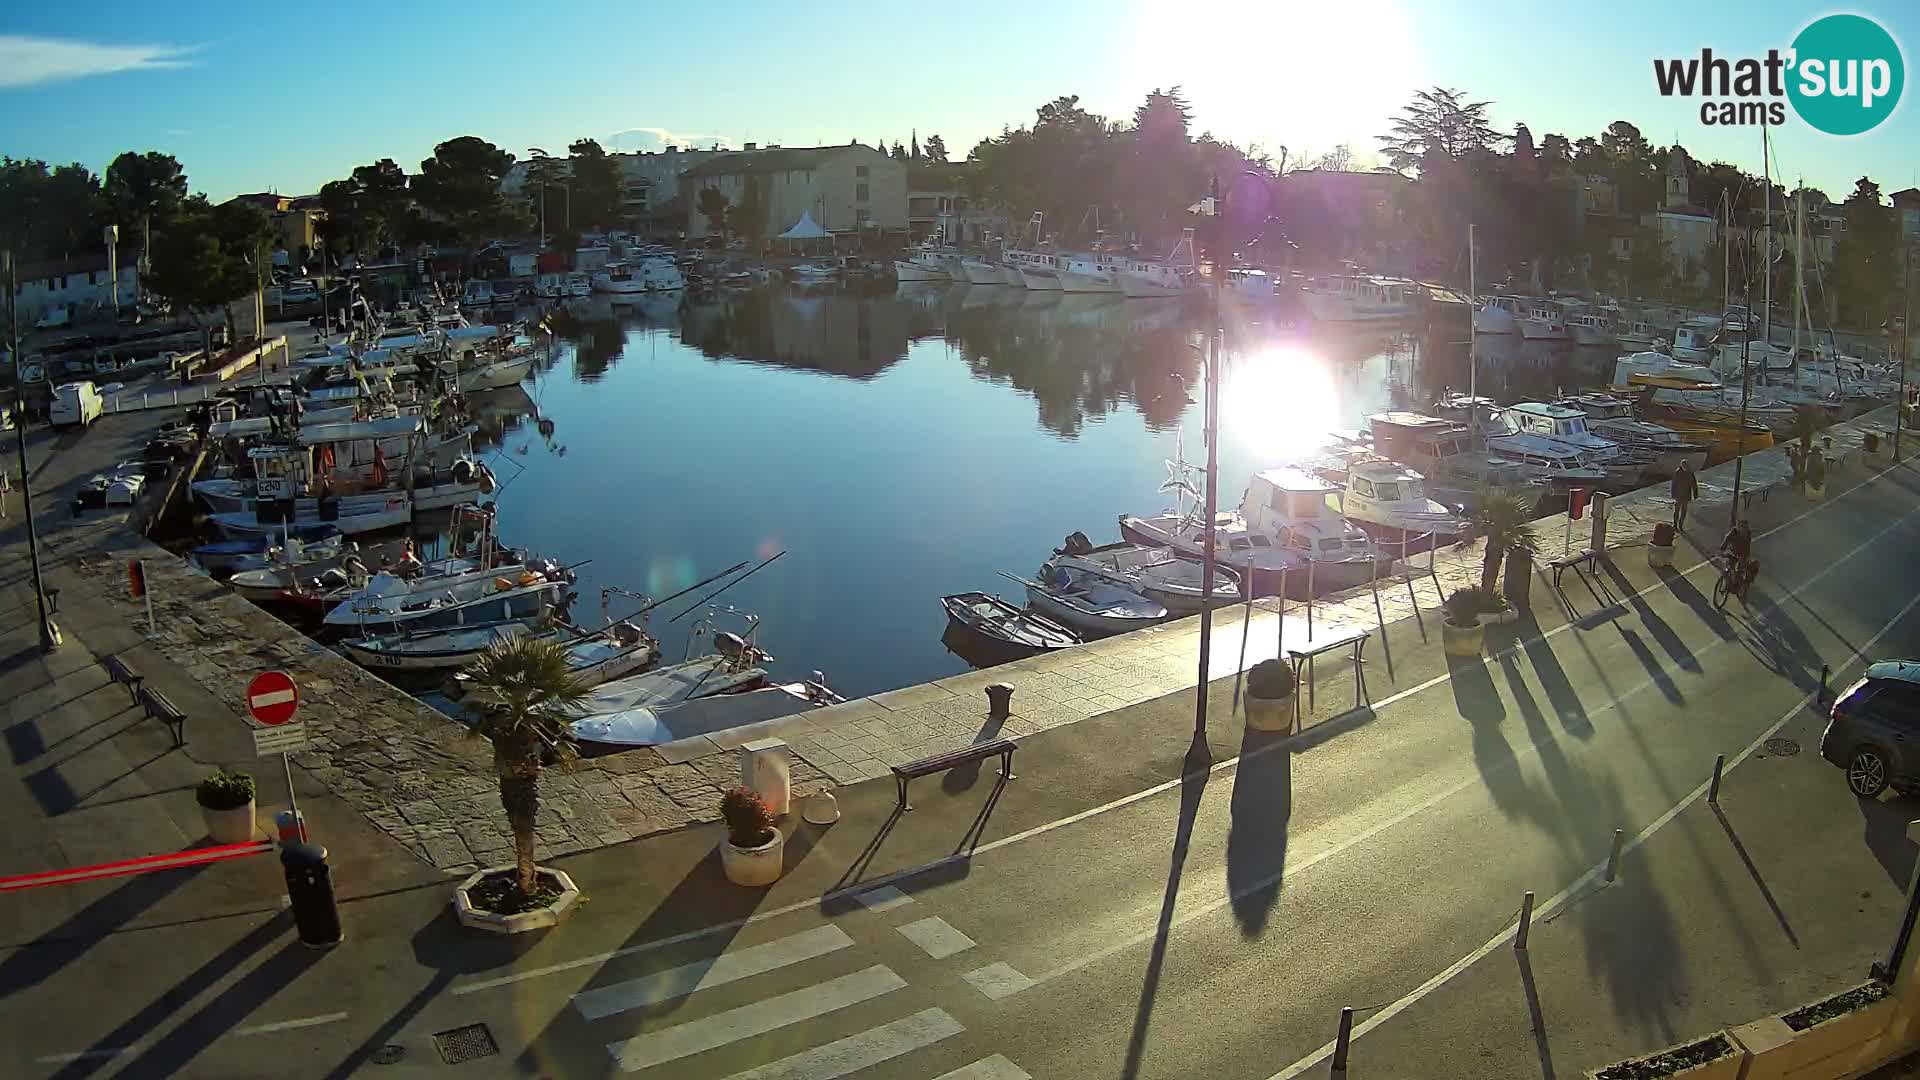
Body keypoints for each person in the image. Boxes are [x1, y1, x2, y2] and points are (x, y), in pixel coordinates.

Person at [1719, 520, 1756, 597]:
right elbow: (1727, 538)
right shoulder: (1734, 531)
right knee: (1727, 567)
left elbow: (1746, 547)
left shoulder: (1747, 534)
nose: (1740, 528)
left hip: (1743, 555)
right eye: (1739, 526)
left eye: (1743, 526)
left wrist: (1743, 558)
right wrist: (1722, 549)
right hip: (1733, 553)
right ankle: (1727, 584)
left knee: (1739, 571)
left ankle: (1739, 586)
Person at [1670, 460, 1698, 530]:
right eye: (1683, 465)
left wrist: (1695, 494)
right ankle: (1675, 525)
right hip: (1678, 495)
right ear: (1681, 465)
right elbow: (1674, 484)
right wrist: (1673, 494)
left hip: (1686, 494)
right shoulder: (1677, 472)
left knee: (1684, 511)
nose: (1684, 467)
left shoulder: (1690, 473)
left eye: (1685, 465)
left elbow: (1694, 484)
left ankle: (1680, 525)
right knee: (1677, 510)